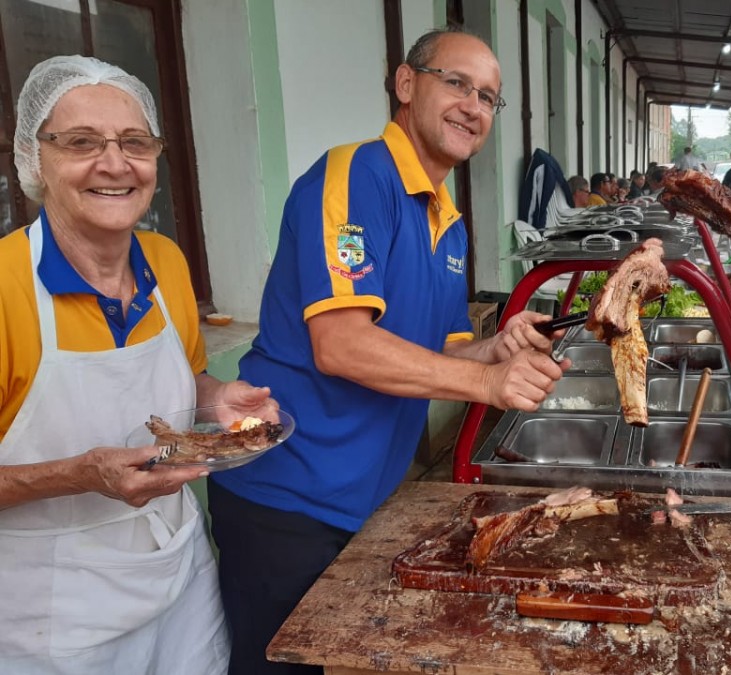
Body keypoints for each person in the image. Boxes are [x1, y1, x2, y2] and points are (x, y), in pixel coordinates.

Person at [208, 28, 569, 674]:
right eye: (456, 83)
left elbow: (446, 352)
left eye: (489, 97)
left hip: (364, 500)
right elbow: (342, 344)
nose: (473, 107)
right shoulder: (357, 177)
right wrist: (488, 384)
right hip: (285, 498)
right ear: (406, 84)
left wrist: (497, 347)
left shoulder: (447, 219)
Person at [0, 55, 277, 673]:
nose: (115, 164)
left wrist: (215, 399)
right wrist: (80, 473)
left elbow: (183, 378)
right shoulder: (4, 288)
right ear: (33, 159)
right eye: (80, 143)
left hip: (178, 578)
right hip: (53, 617)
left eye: (134, 142)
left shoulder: (166, 262)